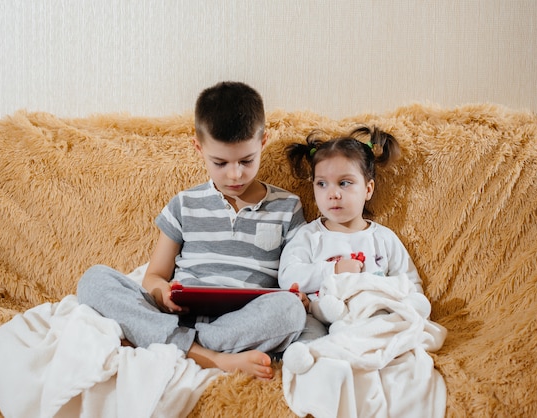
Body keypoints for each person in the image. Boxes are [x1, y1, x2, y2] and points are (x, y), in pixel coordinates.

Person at [77, 81, 307, 379]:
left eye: (246, 161)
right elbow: (154, 276)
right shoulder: (184, 204)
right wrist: (162, 293)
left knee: (290, 311)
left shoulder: (287, 206)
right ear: (199, 148)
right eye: (220, 162)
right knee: (94, 279)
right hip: (179, 316)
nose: (235, 174)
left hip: (244, 320)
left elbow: (296, 275)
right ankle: (209, 356)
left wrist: (300, 295)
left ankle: (175, 345)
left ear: (262, 143)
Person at [279, 127, 424, 325]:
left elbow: (411, 284)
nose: (333, 194)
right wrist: (334, 270)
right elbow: (288, 277)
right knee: (304, 334)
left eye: (344, 183)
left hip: (372, 318)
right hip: (320, 319)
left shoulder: (383, 238)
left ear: (368, 189)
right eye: (322, 184)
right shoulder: (309, 236)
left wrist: (410, 309)